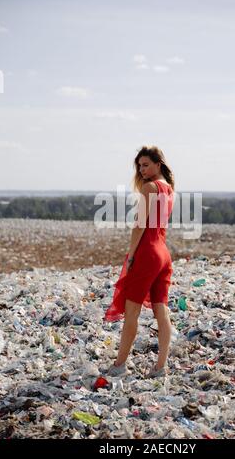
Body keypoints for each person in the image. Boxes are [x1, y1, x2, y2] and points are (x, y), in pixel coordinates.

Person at [104, 145, 175, 378]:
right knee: (161, 310)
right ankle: (160, 367)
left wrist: (131, 255)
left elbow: (139, 226)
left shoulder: (149, 188)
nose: (142, 169)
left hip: (148, 252)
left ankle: (120, 365)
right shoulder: (169, 188)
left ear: (158, 164)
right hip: (163, 253)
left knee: (131, 311)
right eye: (139, 166)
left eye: (146, 164)